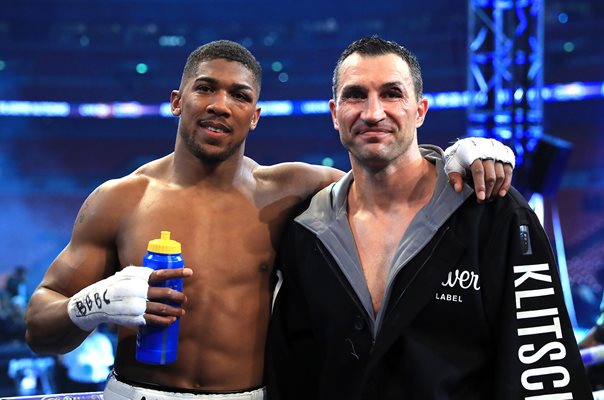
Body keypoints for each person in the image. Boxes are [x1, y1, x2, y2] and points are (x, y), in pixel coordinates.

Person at [24, 40, 514, 400]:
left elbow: (388, 171)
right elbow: (38, 327)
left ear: (255, 116)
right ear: (177, 101)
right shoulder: (120, 200)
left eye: (239, 95)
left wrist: (462, 156)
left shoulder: (294, 191)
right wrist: (92, 304)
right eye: (205, 89)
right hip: (137, 391)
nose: (220, 105)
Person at [265, 36, 592, 399]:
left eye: (392, 93)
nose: (373, 112)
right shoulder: (307, 233)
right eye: (356, 95)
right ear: (334, 112)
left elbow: (545, 372)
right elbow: (293, 373)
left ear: (420, 110)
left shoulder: (492, 211)